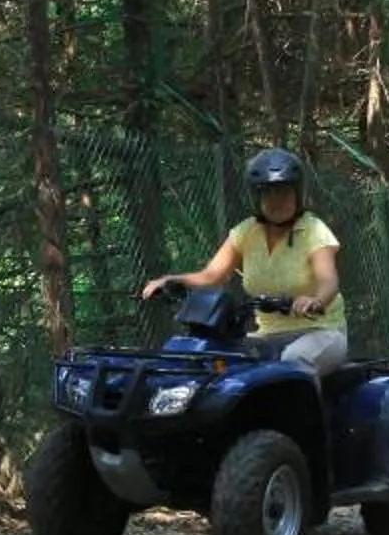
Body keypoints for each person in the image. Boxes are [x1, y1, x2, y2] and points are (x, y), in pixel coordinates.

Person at [145, 147, 349, 374]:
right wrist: (170, 280)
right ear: (256, 197)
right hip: (267, 334)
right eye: (268, 192)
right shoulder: (246, 232)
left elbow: (328, 281)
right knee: (218, 360)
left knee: (293, 362)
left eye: (283, 191)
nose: (276, 200)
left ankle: (304, 410)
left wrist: (316, 301)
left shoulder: (313, 230)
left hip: (320, 331)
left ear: (297, 194)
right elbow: (212, 276)